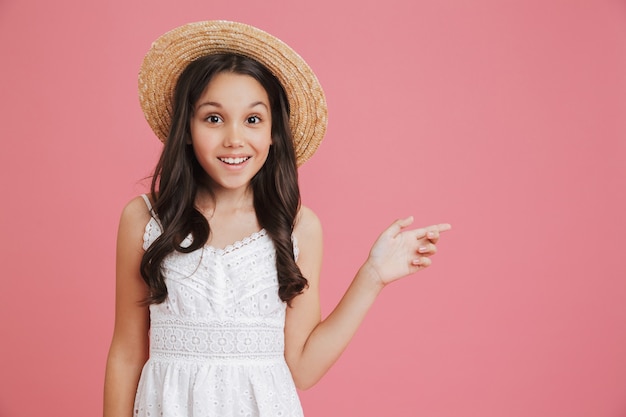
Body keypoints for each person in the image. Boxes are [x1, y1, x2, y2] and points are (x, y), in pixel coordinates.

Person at [103, 20, 451, 417]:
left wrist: (372, 277)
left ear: (273, 133)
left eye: (253, 120)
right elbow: (127, 353)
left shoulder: (297, 227)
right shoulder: (146, 219)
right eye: (213, 118)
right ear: (186, 128)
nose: (234, 138)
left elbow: (302, 368)